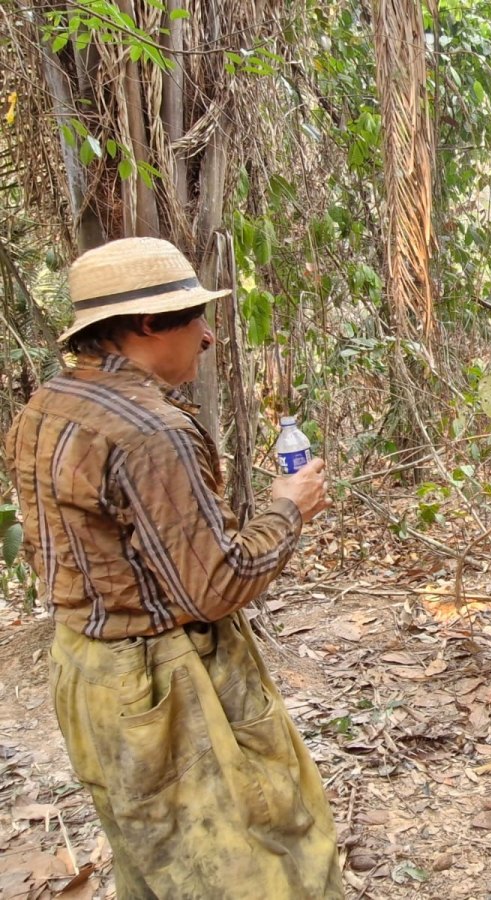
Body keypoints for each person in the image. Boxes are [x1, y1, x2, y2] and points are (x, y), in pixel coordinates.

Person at [3, 238, 342, 898]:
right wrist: (288, 508)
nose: (208, 337)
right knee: (252, 865)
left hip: (86, 673)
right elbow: (216, 586)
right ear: (149, 323)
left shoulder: (46, 406)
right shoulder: (152, 431)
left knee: (152, 854)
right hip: (162, 682)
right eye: (195, 318)